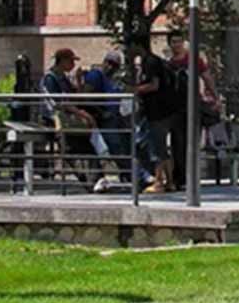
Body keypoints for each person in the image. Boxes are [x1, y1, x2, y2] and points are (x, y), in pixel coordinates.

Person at [83, 50, 149, 192]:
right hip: (104, 119)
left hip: (116, 118)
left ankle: (136, 176)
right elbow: (86, 96)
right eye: (111, 64)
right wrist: (101, 112)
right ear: (105, 62)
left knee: (125, 147)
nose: (112, 68)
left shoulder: (111, 79)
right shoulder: (96, 75)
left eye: (116, 66)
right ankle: (137, 177)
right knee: (117, 149)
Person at [39, 48, 102, 190]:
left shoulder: (64, 78)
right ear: (62, 61)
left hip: (69, 119)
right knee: (70, 148)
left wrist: (79, 80)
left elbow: (74, 96)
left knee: (86, 145)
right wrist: (81, 113)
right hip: (55, 120)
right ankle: (90, 180)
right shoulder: (50, 78)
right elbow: (57, 102)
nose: (73, 64)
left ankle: (96, 179)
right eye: (71, 61)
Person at [165, 29, 220, 191]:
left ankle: (190, 176)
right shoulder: (168, 64)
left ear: (183, 43)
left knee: (192, 142)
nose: (176, 45)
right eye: (173, 42)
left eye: (179, 41)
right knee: (177, 143)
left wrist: (215, 96)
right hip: (175, 108)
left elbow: (206, 77)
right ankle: (180, 177)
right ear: (169, 44)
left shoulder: (193, 60)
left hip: (193, 106)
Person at [131, 37, 175, 194]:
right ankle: (169, 182)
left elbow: (154, 85)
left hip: (157, 111)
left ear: (138, 45)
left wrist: (135, 90)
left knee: (156, 147)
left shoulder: (150, 62)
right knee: (161, 147)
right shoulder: (150, 61)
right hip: (161, 111)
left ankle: (158, 182)